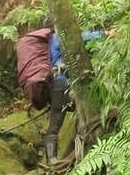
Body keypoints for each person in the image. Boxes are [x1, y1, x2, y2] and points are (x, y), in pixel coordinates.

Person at [42, 20, 105, 164]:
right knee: (56, 120)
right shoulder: (57, 38)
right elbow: (78, 38)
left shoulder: (51, 40)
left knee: (65, 118)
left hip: (64, 83)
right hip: (61, 83)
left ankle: (78, 152)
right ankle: (52, 160)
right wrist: (103, 34)